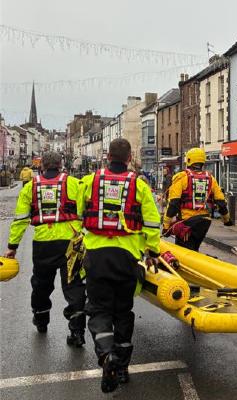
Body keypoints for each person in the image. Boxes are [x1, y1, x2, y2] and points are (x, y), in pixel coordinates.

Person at [78, 138, 160, 393]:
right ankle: (122, 368)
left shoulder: (89, 181)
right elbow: (152, 221)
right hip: (127, 257)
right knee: (123, 311)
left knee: (99, 310)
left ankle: (106, 355)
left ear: (107, 156)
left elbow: (79, 213)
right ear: (129, 158)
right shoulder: (140, 185)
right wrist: (153, 251)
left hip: (97, 256)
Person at [4, 152, 86, 346]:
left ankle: (41, 319)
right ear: (61, 165)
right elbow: (85, 211)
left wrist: (12, 247)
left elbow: (20, 220)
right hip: (71, 243)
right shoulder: (75, 184)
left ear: (42, 166)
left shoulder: (30, 187)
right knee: (74, 285)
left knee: (41, 284)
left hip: (43, 244)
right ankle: (77, 331)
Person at [163, 147, 232, 251]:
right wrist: (227, 220)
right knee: (194, 248)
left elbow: (173, 204)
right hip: (204, 222)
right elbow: (221, 202)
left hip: (187, 223)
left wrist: (166, 226)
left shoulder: (181, 177)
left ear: (188, 160)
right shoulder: (211, 178)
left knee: (184, 251)